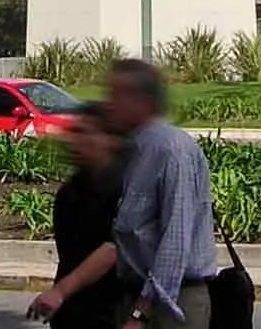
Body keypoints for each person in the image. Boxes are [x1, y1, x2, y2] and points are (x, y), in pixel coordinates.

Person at [107, 60, 216, 329]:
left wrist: (140, 314)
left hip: (170, 304)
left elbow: (175, 241)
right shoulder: (135, 147)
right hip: (137, 295)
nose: (109, 103)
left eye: (116, 95)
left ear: (142, 100)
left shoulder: (170, 150)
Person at [30, 104, 124, 328]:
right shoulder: (69, 193)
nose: (74, 140)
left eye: (85, 133)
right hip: (71, 311)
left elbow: (114, 248)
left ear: (110, 140)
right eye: (74, 132)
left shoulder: (125, 189)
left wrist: (61, 291)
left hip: (111, 310)